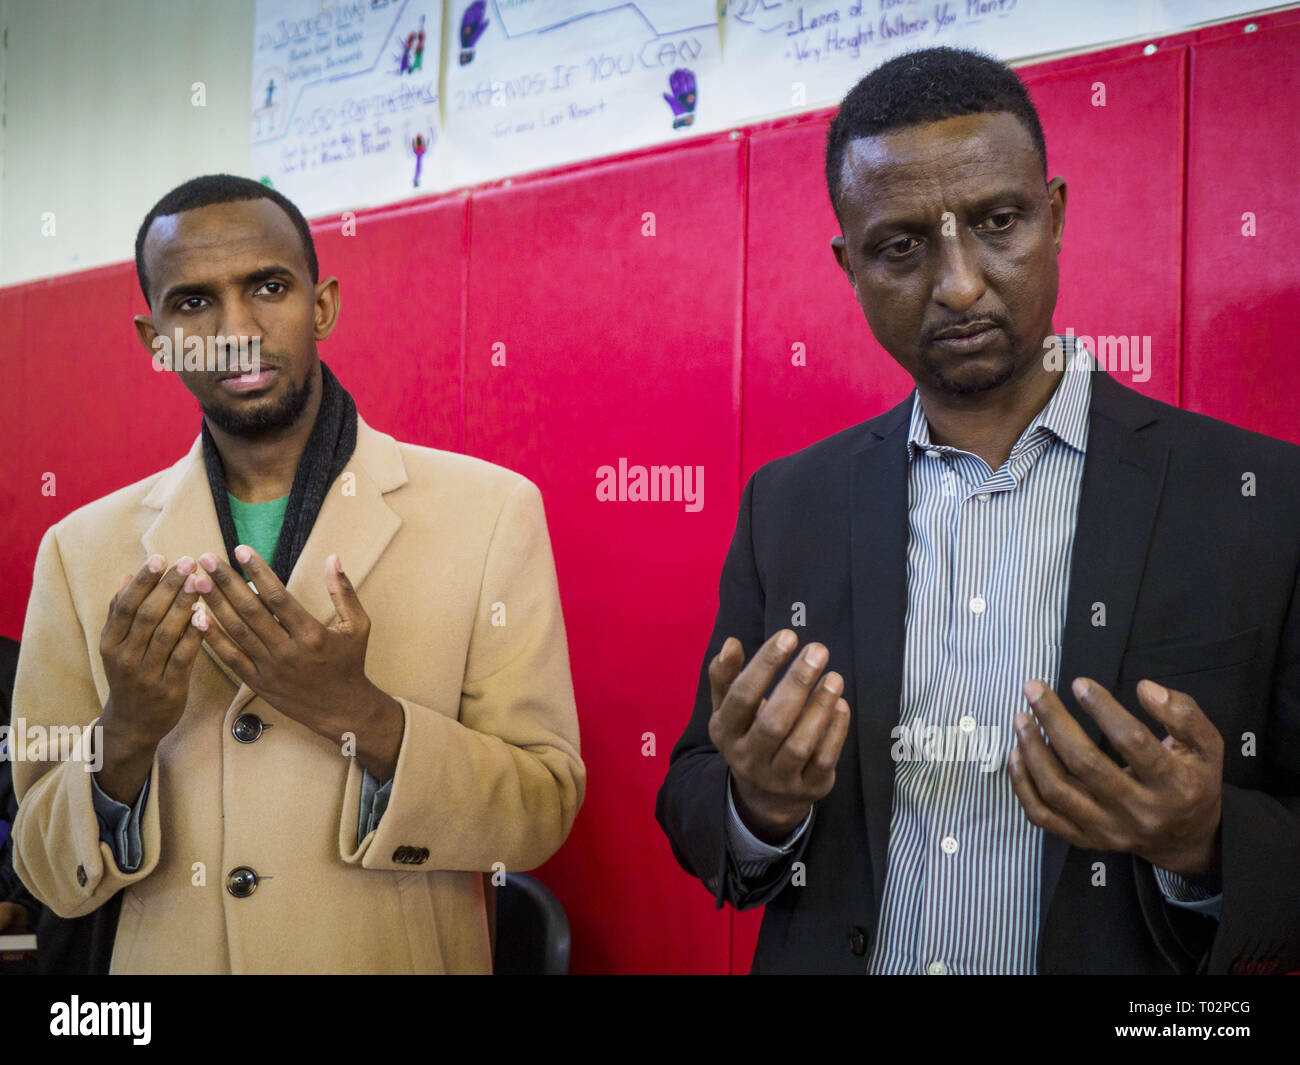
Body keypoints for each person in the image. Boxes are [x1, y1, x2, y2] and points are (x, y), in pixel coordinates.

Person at [656, 47, 1300, 975]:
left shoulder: (1259, 501)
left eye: (998, 221)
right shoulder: (787, 506)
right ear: (849, 265)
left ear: (1056, 215)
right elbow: (694, 796)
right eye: (902, 246)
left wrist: (1205, 839)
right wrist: (760, 804)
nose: (959, 283)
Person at [10, 174, 585, 974]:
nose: (235, 328)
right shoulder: (79, 550)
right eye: (193, 304)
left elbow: (541, 807)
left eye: (268, 287)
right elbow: (44, 873)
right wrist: (126, 734)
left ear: (322, 306)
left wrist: (362, 713)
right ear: (156, 340)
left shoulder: (490, 513)